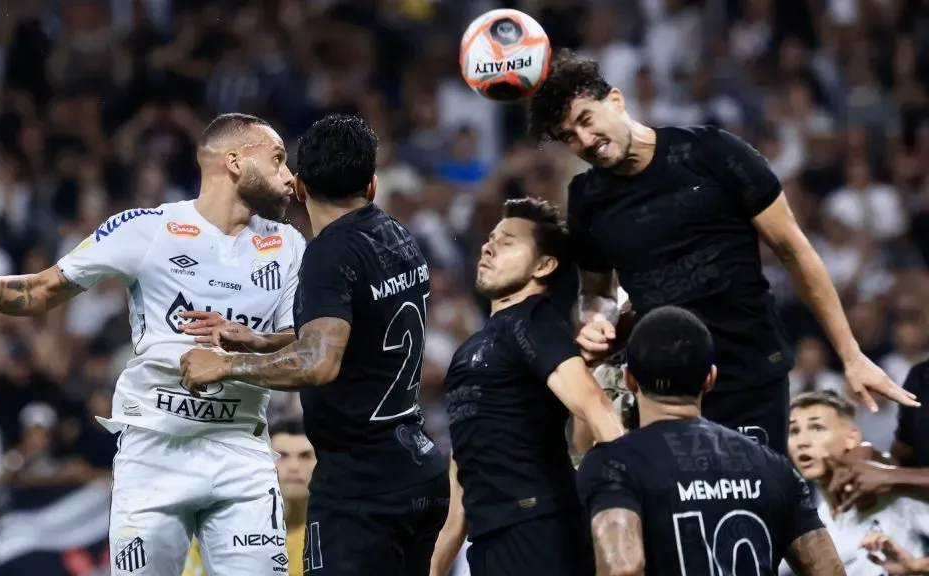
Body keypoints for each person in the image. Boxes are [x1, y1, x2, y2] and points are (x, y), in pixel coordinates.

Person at [0, 113, 304, 576]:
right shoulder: (145, 228)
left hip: (241, 449)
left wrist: (250, 339)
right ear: (234, 161)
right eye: (278, 160)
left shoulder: (287, 245)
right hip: (154, 450)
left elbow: (301, 342)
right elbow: (40, 292)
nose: (290, 176)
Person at [527, 49, 917, 454]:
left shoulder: (712, 152)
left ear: (616, 99)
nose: (585, 140)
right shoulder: (587, 199)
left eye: (586, 120)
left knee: (757, 509)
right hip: (662, 386)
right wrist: (597, 321)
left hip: (750, 371)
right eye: (568, 137)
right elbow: (598, 291)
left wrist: (851, 355)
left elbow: (793, 251)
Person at [180, 114, 449, 575]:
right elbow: (349, 332)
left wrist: (224, 366)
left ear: (300, 187)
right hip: (415, 468)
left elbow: (320, 363)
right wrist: (259, 341)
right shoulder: (395, 236)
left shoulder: (328, 253)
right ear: (372, 185)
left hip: (360, 490)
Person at [429, 198, 624, 576]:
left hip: (540, 532)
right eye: (490, 239)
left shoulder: (534, 323)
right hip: (490, 542)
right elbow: (465, 464)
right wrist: (436, 566)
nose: (488, 247)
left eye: (507, 242)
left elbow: (595, 406)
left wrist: (627, 509)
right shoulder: (473, 348)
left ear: (544, 265)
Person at [578, 306, 845, 576]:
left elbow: (622, 569)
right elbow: (830, 572)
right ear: (710, 379)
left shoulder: (613, 464)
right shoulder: (773, 466)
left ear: (629, 378)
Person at [783, 390, 929, 576]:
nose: (802, 441)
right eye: (794, 431)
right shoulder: (817, 519)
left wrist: (918, 565)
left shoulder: (895, 497)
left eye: (817, 428)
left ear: (852, 438)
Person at [823, 357, 929, 512]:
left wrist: (890, 476)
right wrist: (872, 457)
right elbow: (905, 458)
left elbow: (897, 473)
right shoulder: (920, 376)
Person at [270, 418, 316, 576]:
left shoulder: (338, 538)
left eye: (305, 456)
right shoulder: (227, 531)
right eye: (282, 456)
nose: (294, 467)